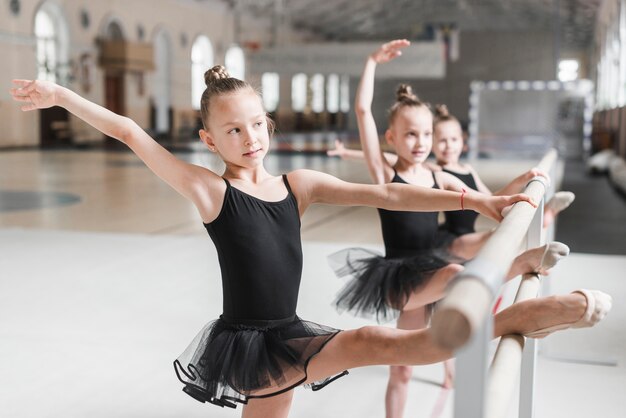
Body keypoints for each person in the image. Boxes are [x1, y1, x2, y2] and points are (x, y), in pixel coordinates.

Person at [10, 69, 611, 418]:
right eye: (232, 130)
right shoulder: (209, 191)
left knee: (389, 341)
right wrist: (62, 96)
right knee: (386, 346)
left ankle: (529, 313)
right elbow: (130, 131)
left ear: (270, 127)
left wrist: (474, 200)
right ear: (210, 140)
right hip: (250, 346)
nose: (248, 137)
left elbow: (391, 195)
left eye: (256, 124)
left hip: (292, 333)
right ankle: (527, 314)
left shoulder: (298, 186)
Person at [329, 39, 571, 416]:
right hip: (402, 279)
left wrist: (523, 183)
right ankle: (520, 266)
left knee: (434, 344)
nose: (421, 142)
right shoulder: (385, 174)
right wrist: (371, 62)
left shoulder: (437, 174)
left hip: (432, 269)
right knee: (404, 368)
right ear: (391, 138)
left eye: (426, 135)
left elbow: (485, 201)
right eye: (410, 135)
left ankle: (453, 369)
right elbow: (362, 110)